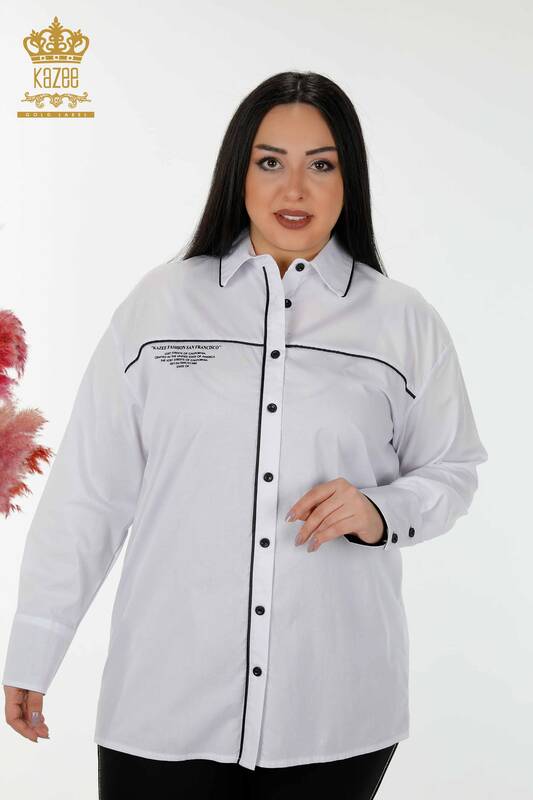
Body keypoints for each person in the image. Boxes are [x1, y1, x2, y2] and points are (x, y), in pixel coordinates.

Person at [2, 70, 488, 798]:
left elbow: (453, 468)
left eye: (320, 164)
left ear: (349, 180)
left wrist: (379, 510)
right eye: (270, 162)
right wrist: (35, 648)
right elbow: (90, 495)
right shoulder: (161, 305)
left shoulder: (403, 322)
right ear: (239, 172)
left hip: (334, 711)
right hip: (164, 704)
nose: (294, 189)